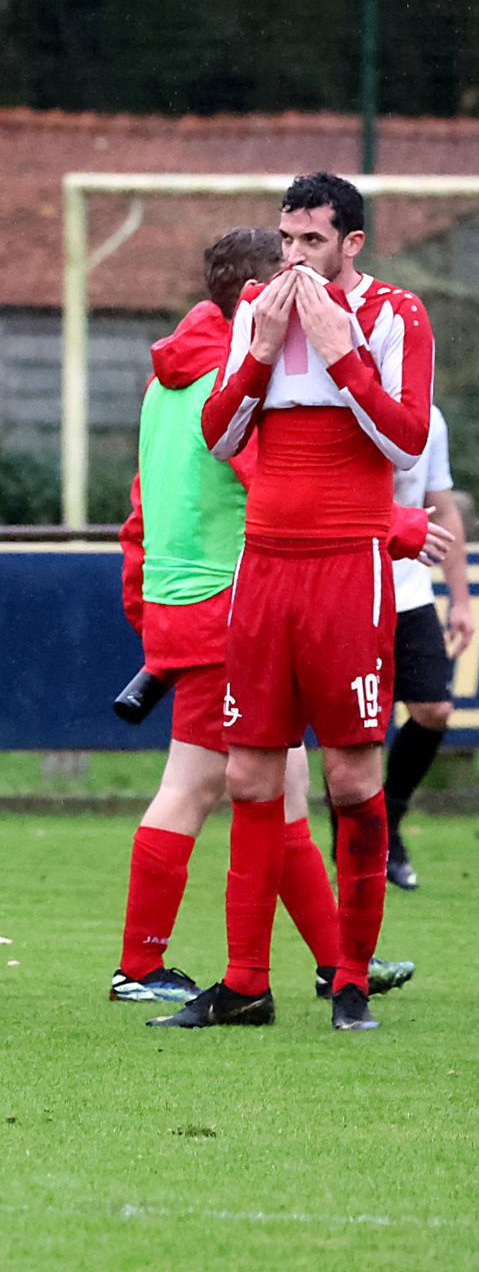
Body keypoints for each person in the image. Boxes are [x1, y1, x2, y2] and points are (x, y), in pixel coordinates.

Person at [107, 229, 420, 1005]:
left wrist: (141, 599)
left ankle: (333, 959)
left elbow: (141, 503)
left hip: (179, 598)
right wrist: (395, 529)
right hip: (235, 600)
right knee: (208, 787)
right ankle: (142, 965)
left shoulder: (161, 380)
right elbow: (275, 491)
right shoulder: (240, 374)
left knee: (271, 791)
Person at [377, 406, 470, 890]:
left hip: (410, 592)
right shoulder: (340, 401)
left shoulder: (431, 417)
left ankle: (389, 823)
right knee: (356, 726)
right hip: (350, 587)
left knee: (433, 709)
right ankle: (360, 845)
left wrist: (459, 599)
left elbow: (444, 506)